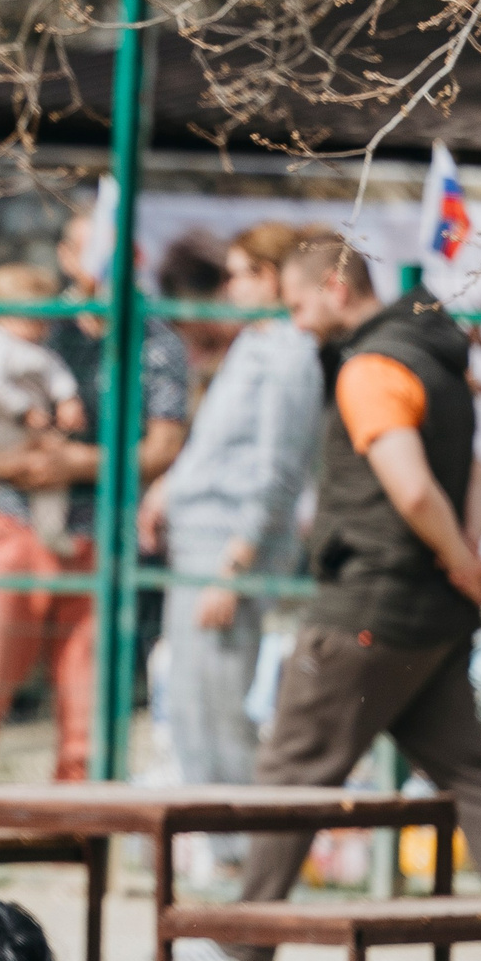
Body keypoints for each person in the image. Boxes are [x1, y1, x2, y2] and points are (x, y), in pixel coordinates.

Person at [175, 235, 481, 961]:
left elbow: (414, 486)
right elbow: (473, 476)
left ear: (334, 285)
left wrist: (459, 560)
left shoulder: (371, 366)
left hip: (370, 604)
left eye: (298, 305)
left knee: (294, 764)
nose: (296, 324)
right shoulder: (437, 359)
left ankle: (243, 939)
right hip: (432, 613)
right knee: (475, 777)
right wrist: (462, 560)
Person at [0, 212, 189, 782]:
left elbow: (165, 445)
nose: (107, 263)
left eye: (120, 251)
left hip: (98, 539)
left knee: (87, 720)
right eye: (93, 249)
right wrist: (12, 465)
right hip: (11, 528)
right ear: (68, 259)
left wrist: (79, 464)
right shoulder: (31, 324)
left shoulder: (158, 338)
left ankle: (78, 848)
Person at [136, 221, 323, 880]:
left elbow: (278, 471)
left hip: (226, 552)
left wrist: (234, 571)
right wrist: (167, 490)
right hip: (195, 541)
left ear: (274, 278)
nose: (232, 286)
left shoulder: (290, 354)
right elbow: (215, 446)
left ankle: (249, 854)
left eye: (244, 272)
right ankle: (221, 851)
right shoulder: (252, 347)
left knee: (219, 703)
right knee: (187, 703)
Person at [0, 263, 87, 554]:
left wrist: (68, 398)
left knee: (48, 473)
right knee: (0, 471)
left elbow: (56, 372)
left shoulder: (36, 347)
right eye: (33, 319)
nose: (42, 327)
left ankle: (50, 529)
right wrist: (24, 409)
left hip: (23, 430)